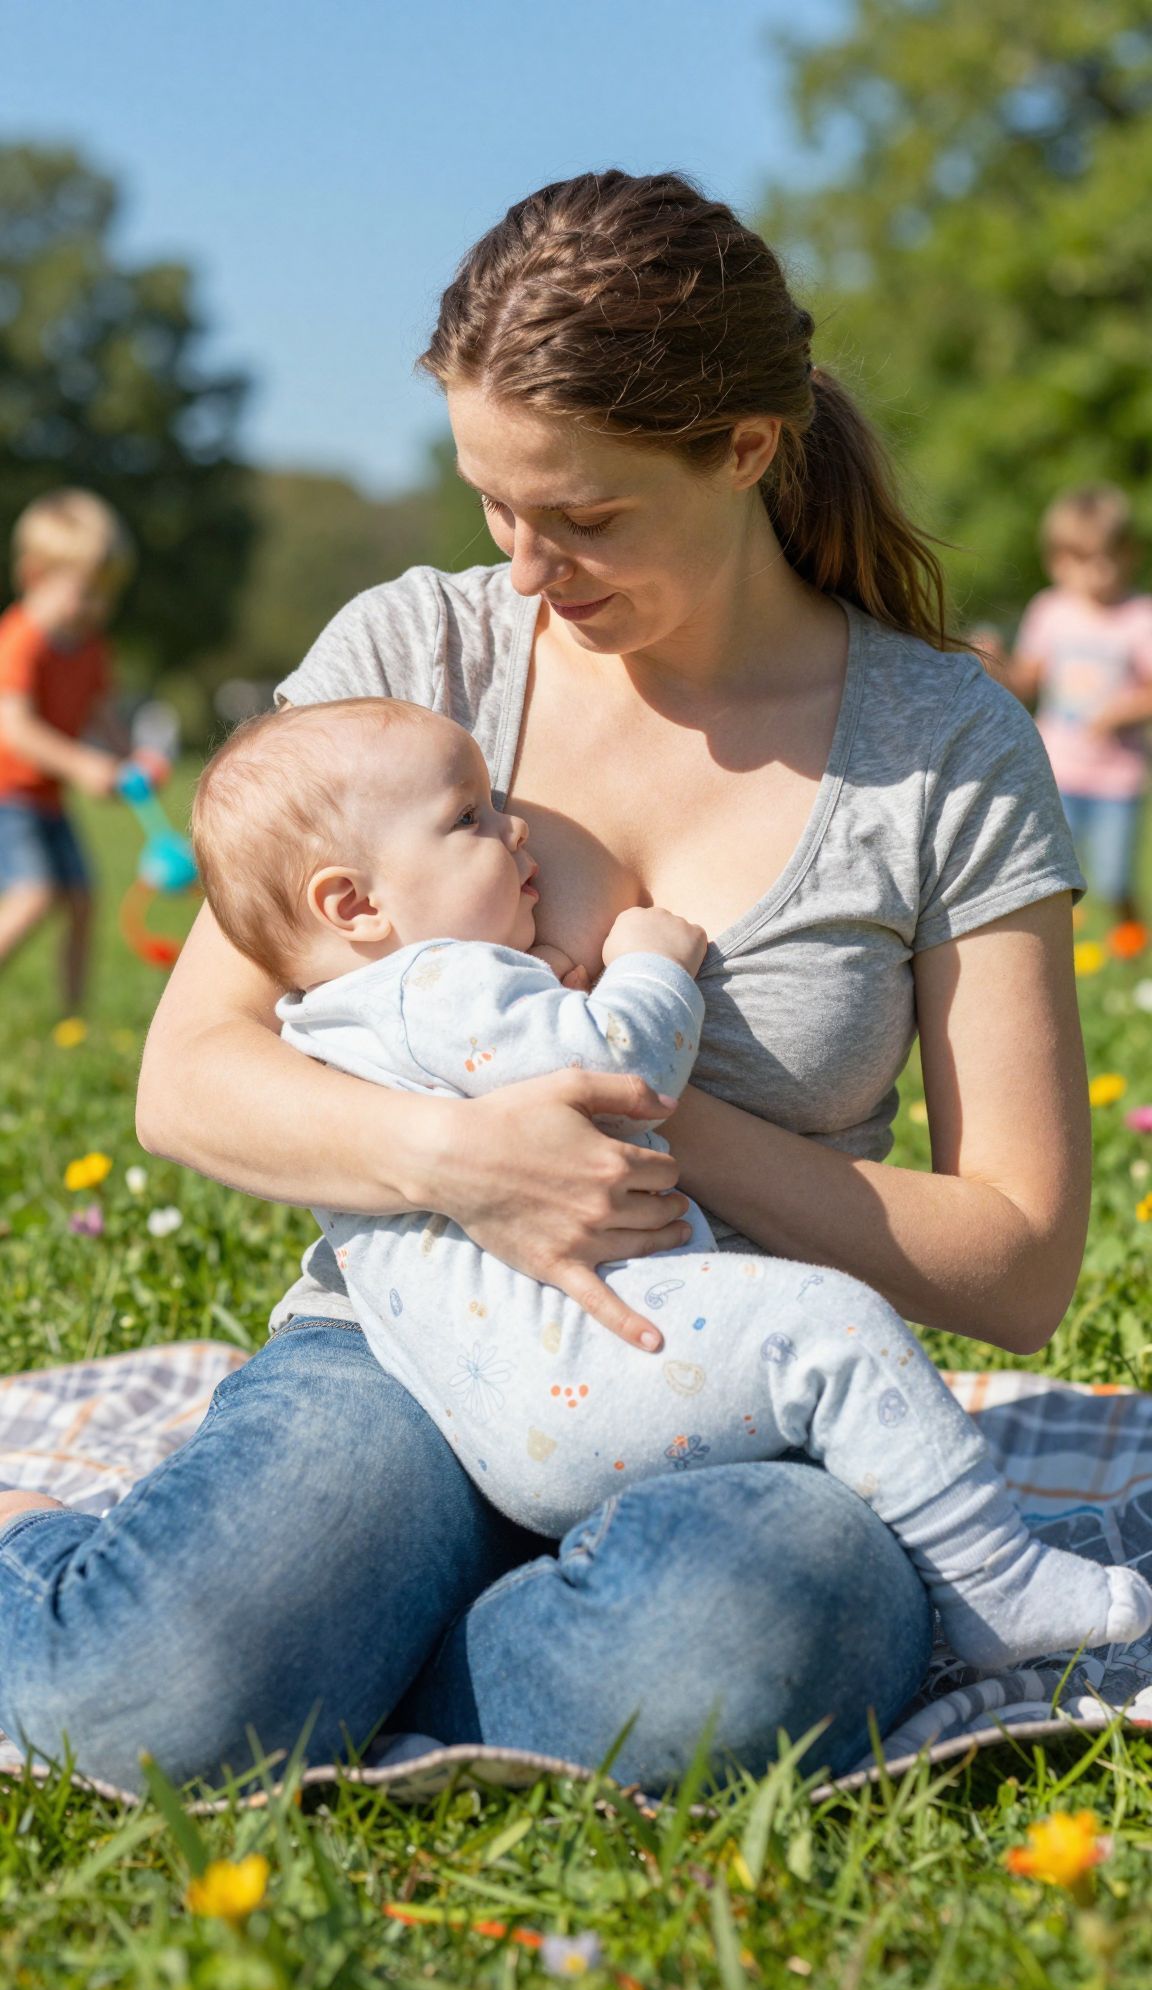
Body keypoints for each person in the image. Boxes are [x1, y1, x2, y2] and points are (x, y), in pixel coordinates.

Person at [0, 172, 1096, 1796]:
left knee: (738, 1644)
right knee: (147, 1695)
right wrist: (467, 1155)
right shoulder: (416, 662)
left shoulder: (940, 747)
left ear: (744, 447)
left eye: (583, 517)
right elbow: (189, 1076)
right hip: (413, 1343)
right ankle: (309, 1630)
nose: (524, 570)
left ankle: (359, 1655)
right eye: (492, 505)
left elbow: (1016, 1261)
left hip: (742, 1386)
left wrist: (648, 1123)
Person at [188, 694, 1150, 1670]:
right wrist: (649, 969)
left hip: (487, 1399)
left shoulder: (333, 1018)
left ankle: (392, 1671)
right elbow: (621, 1065)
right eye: (469, 817)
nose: (513, 827)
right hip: (587, 1365)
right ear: (355, 904)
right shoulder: (438, 981)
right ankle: (995, 1579)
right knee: (830, 1325)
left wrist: (533, 984)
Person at [0, 489, 134, 1013]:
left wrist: (128, 758)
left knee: (82, 898)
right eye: (85, 593)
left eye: (106, 596)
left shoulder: (92, 648)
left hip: (48, 798)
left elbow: (101, 712)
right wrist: (81, 763)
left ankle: (72, 1018)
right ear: (36, 575)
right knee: (34, 894)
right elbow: (15, 727)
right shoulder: (20, 639)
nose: (96, 609)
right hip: (7, 795)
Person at [1010, 486, 1152, 939]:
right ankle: (1059, 949)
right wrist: (992, 664)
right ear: (1057, 561)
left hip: (1117, 778)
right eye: (1081, 560)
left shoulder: (1139, 617)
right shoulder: (1049, 611)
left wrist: (1122, 711)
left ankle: (1131, 942)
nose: (1096, 572)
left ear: (1129, 555)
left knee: (1113, 878)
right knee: (1051, 877)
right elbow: (1024, 680)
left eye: (1107, 558)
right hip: (1057, 770)